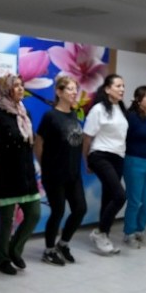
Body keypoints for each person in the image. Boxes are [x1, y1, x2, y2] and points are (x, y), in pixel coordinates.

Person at [0, 74, 41, 275]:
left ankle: (15, 249)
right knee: (6, 221)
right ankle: (2, 259)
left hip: (26, 172)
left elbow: (28, 141)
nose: (20, 89)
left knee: (34, 213)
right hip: (6, 173)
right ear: (5, 89)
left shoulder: (24, 111)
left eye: (22, 85)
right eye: (16, 86)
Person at [35, 76, 86, 265]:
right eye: (70, 89)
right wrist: (45, 165)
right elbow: (38, 143)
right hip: (54, 173)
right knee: (58, 211)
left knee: (80, 209)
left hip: (73, 173)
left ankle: (63, 244)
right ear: (59, 92)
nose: (74, 93)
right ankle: (48, 250)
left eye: (76, 89)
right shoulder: (50, 117)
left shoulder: (74, 114)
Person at [82, 74, 128, 254]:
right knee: (120, 196)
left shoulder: (120, 109)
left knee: (109, 197)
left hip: (118, 157)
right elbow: (87, 138)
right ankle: (100, 232)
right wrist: (86, 160)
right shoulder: (98, 110)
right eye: (118, 86)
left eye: (123, 86)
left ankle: (104, 236)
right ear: (107, 89)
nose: (122, 89)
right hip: (100, 155)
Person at [122, 85, 146, 248]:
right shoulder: (130, 116)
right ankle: (129, 234)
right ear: (138, 99)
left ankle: (139, 231)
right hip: (133, 162)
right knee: (135, 201)